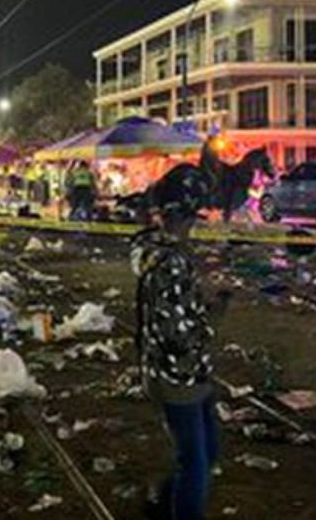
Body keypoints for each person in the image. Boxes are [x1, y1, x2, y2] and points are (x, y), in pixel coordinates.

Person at [130, 165, 219, 520]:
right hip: (180, 376)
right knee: (195, 462)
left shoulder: (154, 250)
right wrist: (212, 315)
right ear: (184, 214)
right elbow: (177, 331)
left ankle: (162, 503)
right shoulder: (173, 264)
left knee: (204, 452)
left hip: (171, 370)